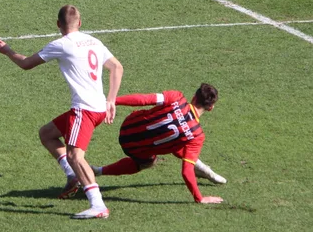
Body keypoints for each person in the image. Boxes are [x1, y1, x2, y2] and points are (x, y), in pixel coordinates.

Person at [0, 5, 123, 219]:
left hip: (85, 110)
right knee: (47, 134)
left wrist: (7, 51)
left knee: (75, 156)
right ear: (80, 23)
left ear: (58, 25)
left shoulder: (61, 44)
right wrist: (111, 100)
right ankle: (72, 176)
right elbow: (117, 67)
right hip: (98, 107)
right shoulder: (94, 42)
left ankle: (98, 205)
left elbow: (26, 64)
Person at [93, 84, 225, 204]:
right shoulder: (197, 135)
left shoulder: (177, 97)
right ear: (210, 108)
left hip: (128, 125)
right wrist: (199, 198)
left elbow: (144, 99)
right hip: (135, 149)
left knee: (177, 142)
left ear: (194, 97)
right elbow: (186, 171)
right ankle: (99, 171)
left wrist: (111, 102)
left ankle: (201, 168)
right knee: (155, 158)